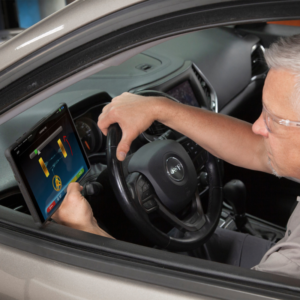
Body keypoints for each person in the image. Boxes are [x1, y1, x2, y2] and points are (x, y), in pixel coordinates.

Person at [53, 34, 300, 278]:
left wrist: (88, 233)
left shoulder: (292, 264)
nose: (257, 127)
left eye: (271, 119)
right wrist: (158, 107)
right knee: (186, 242)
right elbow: (257, 148)